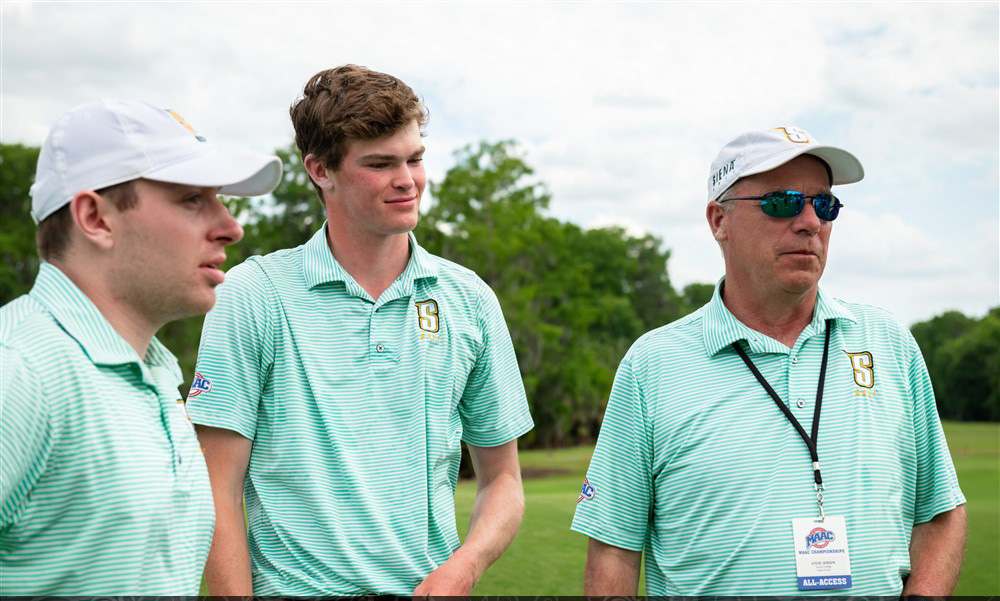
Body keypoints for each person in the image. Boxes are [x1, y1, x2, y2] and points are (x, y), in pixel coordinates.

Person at [572, 126, 967, 595]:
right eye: (782, 202)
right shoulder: (653, 365)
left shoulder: (888, 342)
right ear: (719, 220)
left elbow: (941, 510)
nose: (810, 222)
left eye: (824, 205)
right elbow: (615, 546)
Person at [187, 64, 534, 596]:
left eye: (415, 158)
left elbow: (504, 480)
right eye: (380, 163)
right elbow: (216, 488)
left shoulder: (470, 299)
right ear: (320, 169)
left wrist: (465, 566)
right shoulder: (253, 293)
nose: (407, 180)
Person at [0, 99, 282, 594]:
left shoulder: (152, 376)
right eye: (193, 199)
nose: (231, 227)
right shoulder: (18, 372)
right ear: (96, 217)